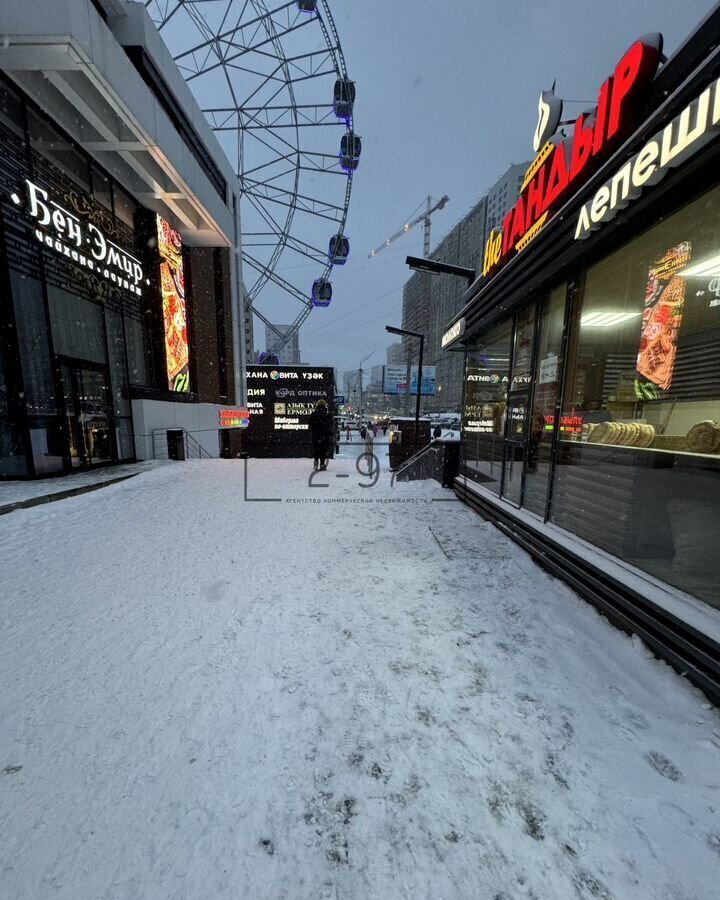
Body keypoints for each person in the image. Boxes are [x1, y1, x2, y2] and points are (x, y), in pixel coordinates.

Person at [309, 399, 332, 470]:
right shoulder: (327, 415)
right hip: (325, 435)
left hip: (316, 435)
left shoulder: (314, 414)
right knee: (323, 450)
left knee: (316, 450)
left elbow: (310, 424)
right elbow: (330, 424)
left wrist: (314, 429)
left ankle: (316, 463)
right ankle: (322, 464)